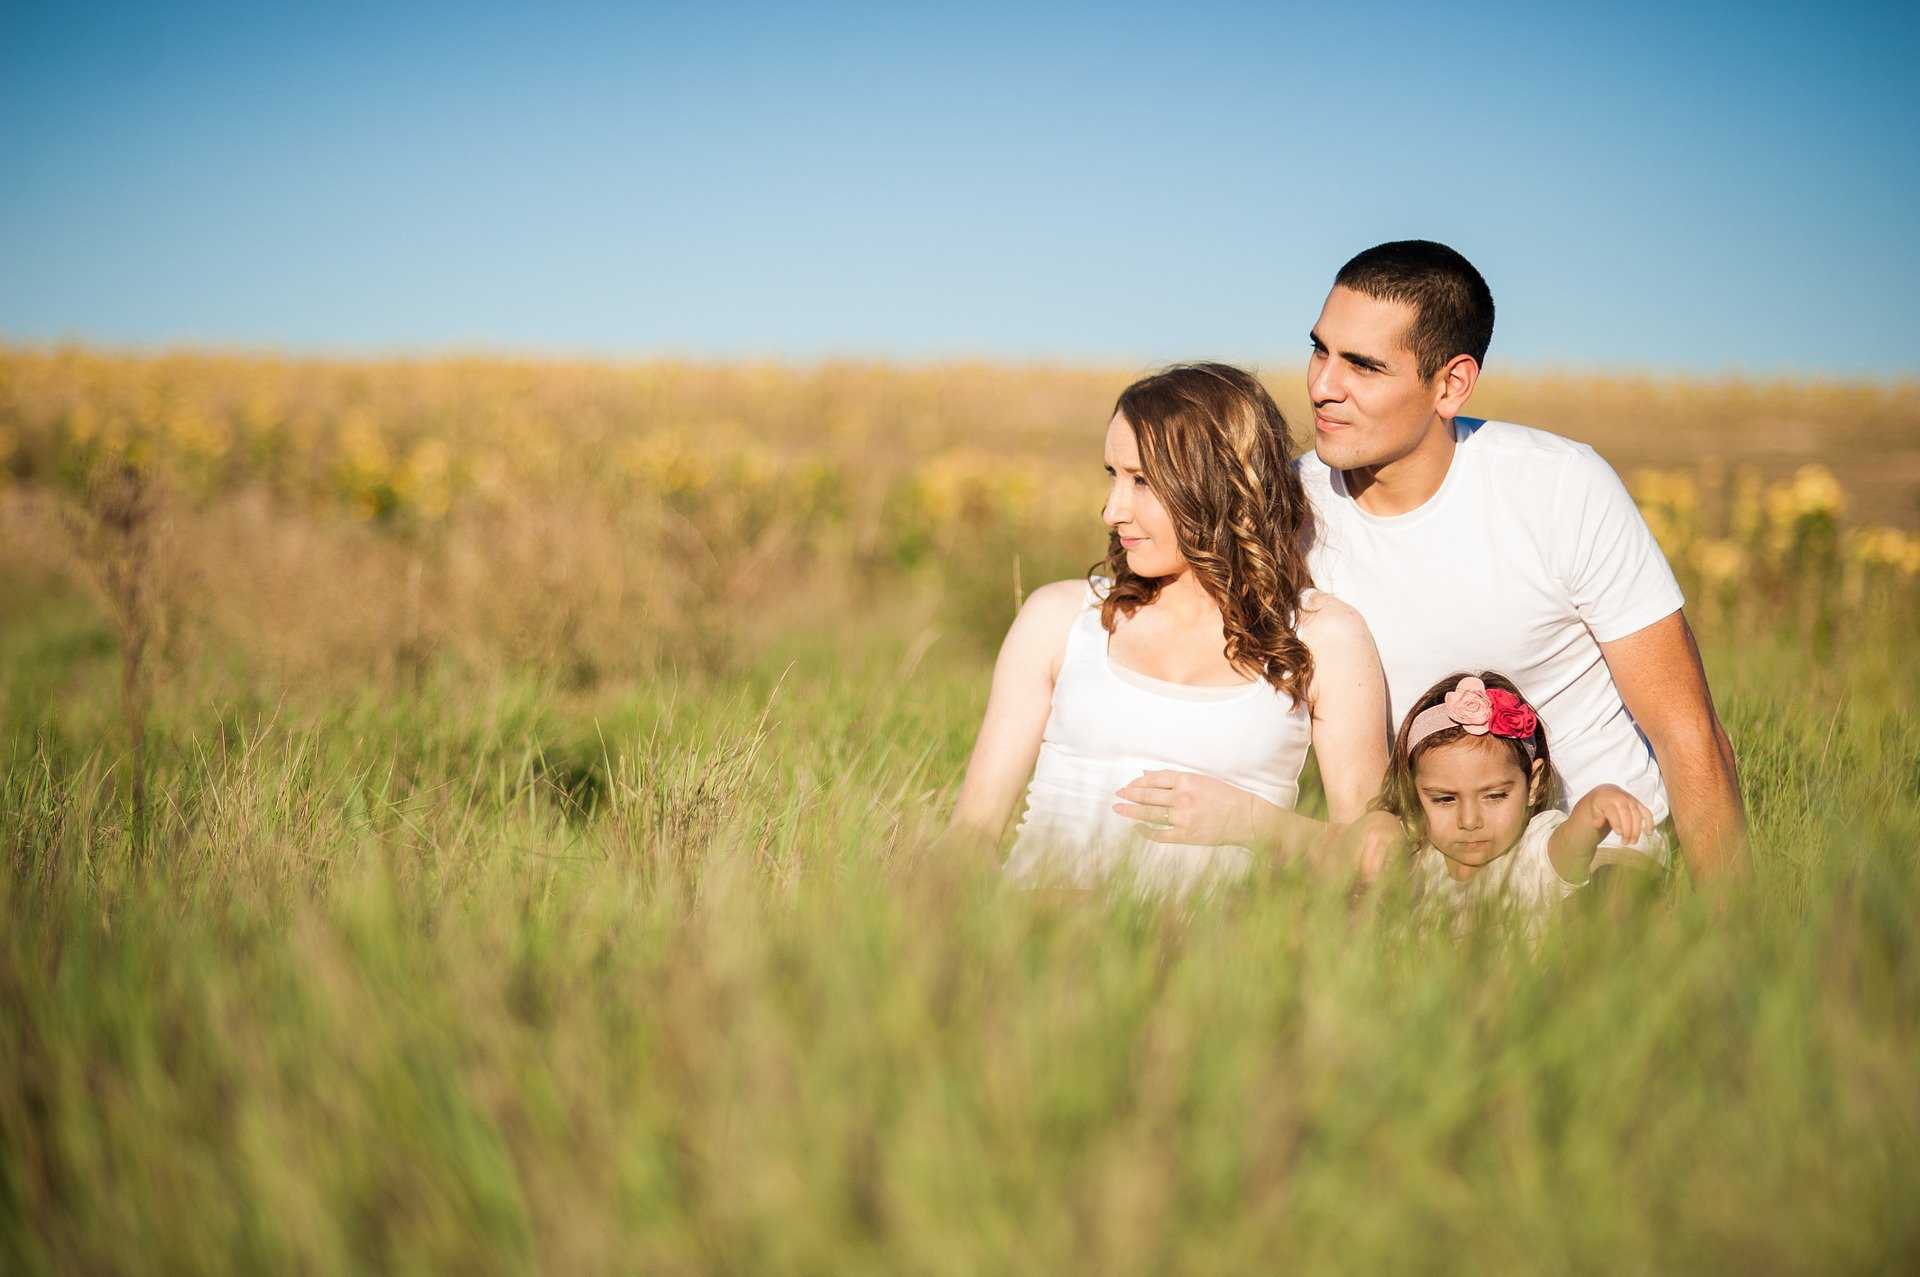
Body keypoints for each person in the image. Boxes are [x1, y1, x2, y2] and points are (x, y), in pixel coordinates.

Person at [1294, 240, 1747, 881]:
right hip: (1422, 868)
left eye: (1363, 367)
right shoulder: (1288, 507)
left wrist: (1736, 939)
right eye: (1320, 349)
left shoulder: (1561, 486)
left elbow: (1687, 731)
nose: (1322, 386)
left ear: (1450, 384)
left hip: (1598, 861)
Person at [946, 363, 1388, 896]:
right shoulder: (1059, 619)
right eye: (1112, 475)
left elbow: (1377, 858)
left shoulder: (1323, 636)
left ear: (1220, 483)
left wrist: (1254, 823)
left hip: (1214, 966)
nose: (1112, 510)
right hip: (1038, 945)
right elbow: (969, 837)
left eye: (1142, 481)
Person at [1372, 671, 1657, 931]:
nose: (1469, 821)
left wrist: (1595, 806)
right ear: (1413, 791)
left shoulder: (1532, 852)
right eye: (1445, 799)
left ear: (1532, 784)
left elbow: (1571, 845)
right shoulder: (1418, 859)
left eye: (1495, 796)